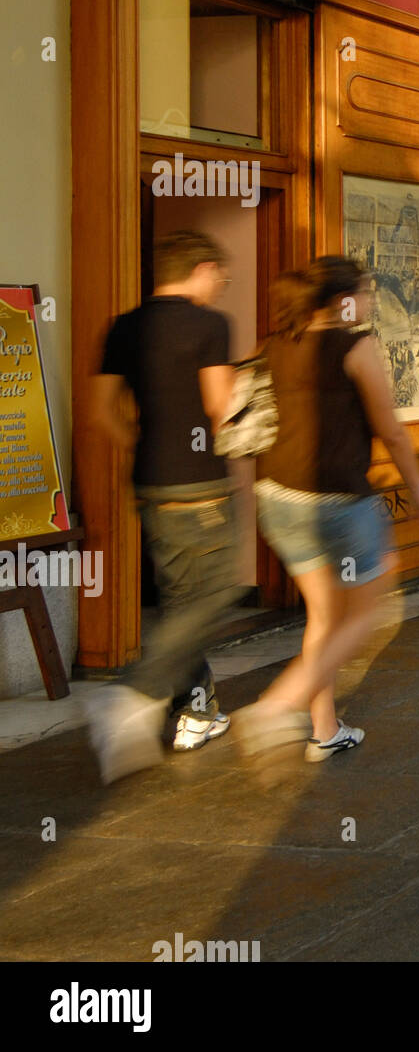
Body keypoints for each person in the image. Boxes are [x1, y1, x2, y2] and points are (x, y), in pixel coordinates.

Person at [236, 258, 419, 765]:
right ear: (340, 300)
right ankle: (280, 702)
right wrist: (418, 491)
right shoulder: (355, 345)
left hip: (277, 496)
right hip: (339, 501)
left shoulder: (275, 343)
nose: (369, 301)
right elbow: (390, 429)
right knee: (369, 609)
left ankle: (324, 729)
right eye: (365, 293)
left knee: (324, 616)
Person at [87, 231, 239, 783]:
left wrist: (144, 445)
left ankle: (196, 711)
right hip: (201, 483)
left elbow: (102, 411)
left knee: (180, 599)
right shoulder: (210, 325)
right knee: (218, 590)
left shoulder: (125, 326)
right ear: (201, 268)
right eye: (220, 274)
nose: (222, 284)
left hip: (149, 482)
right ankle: (135, 692)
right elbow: (220, 407)